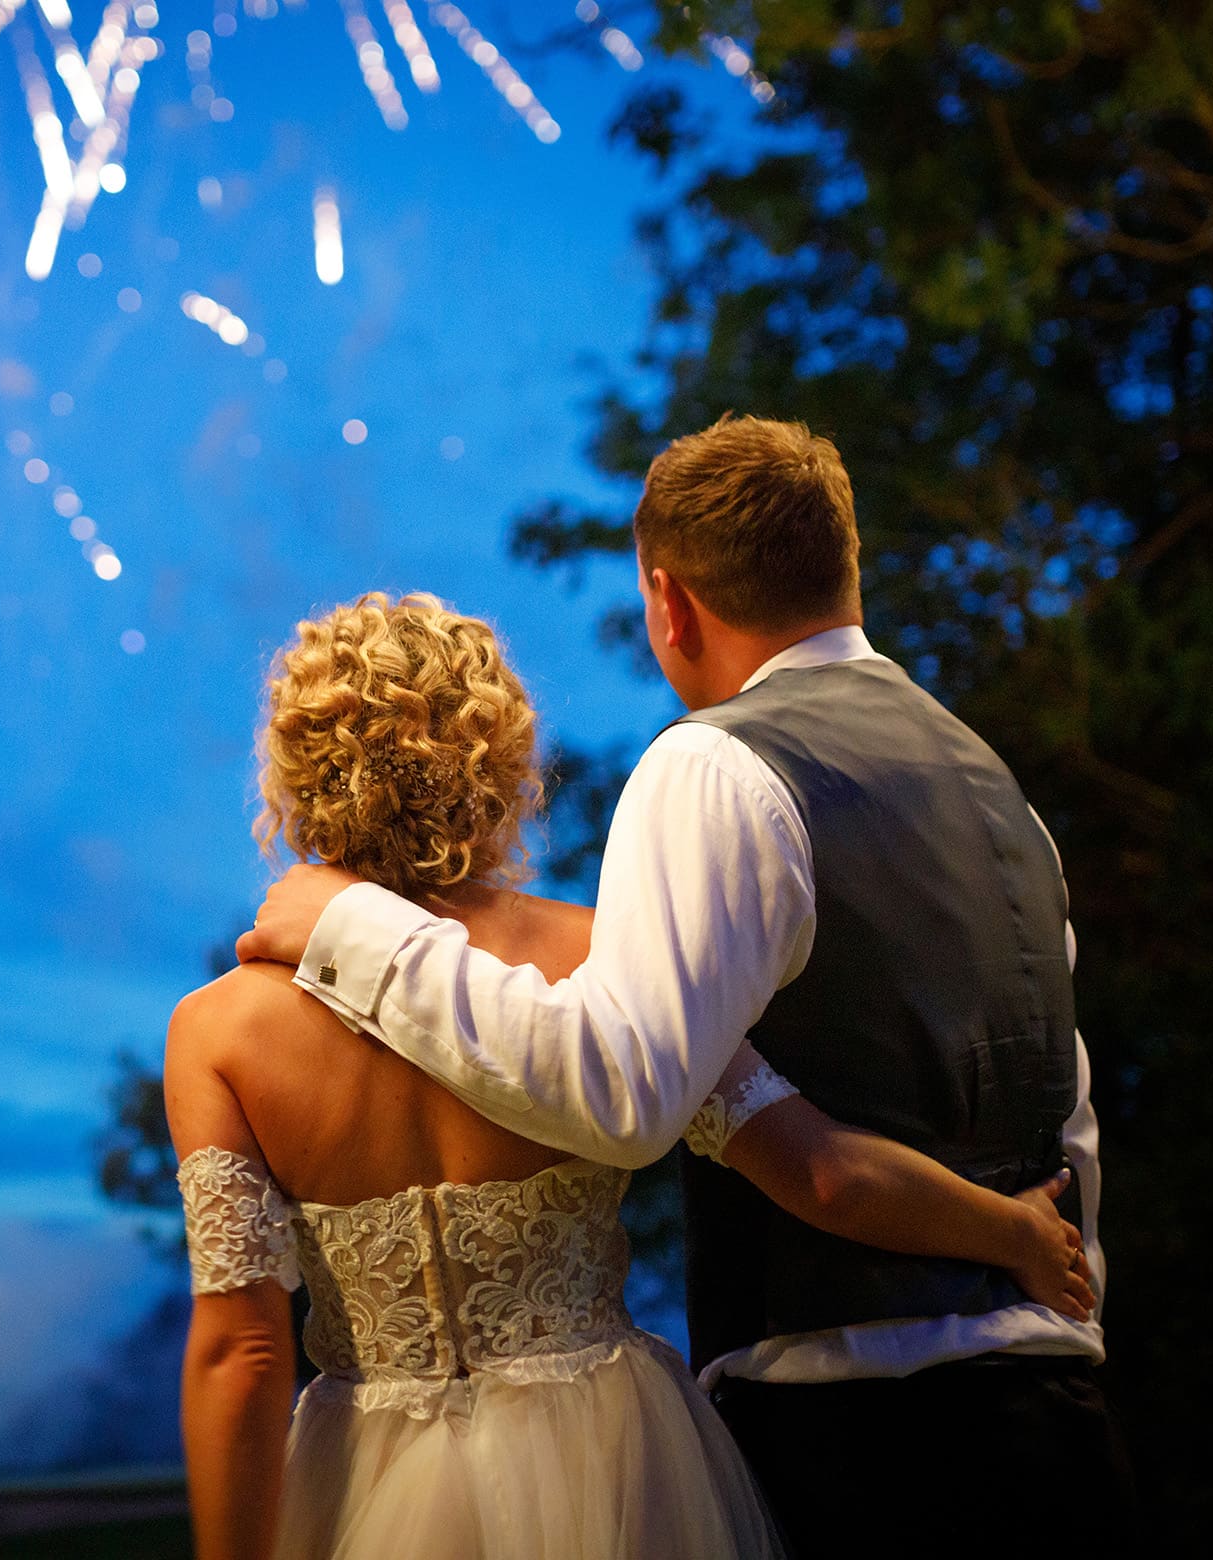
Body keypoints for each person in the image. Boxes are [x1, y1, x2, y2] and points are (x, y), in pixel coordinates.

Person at [237, 417, 1139, 1558]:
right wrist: (1024, 1246)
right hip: (1056, 1418)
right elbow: (1059, 1104)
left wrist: (353, 930)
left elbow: (624, 1091)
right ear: (843, 567)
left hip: (861, 1440)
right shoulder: (993, 783)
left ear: (669, 603)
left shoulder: (714, 763)